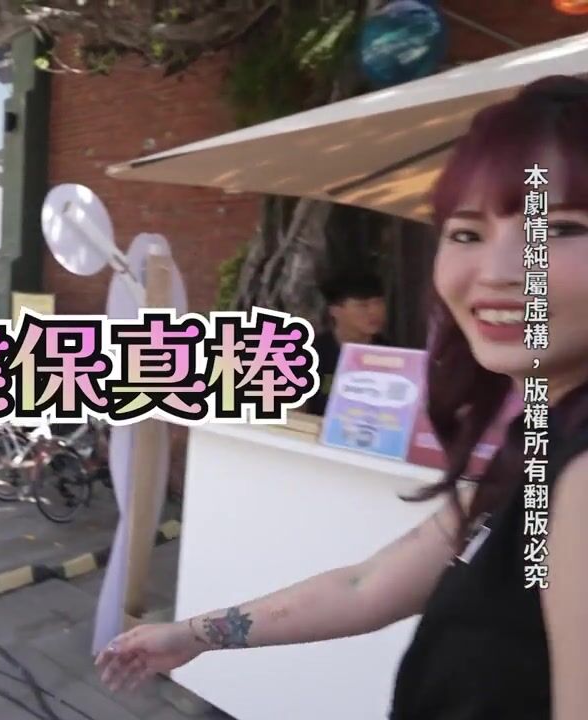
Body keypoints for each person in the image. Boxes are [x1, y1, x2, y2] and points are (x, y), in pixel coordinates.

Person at [97, 76, 588, 720]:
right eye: (467, 234)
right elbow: (366, 585)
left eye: (557, 228)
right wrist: (192, 635)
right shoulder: (543, 441)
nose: (497, 273)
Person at [304, 272, 390, 414]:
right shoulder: (309, 354)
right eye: (363, 306)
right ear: (335, 311)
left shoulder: (391, 354)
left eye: (378, 303)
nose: (374, 311)